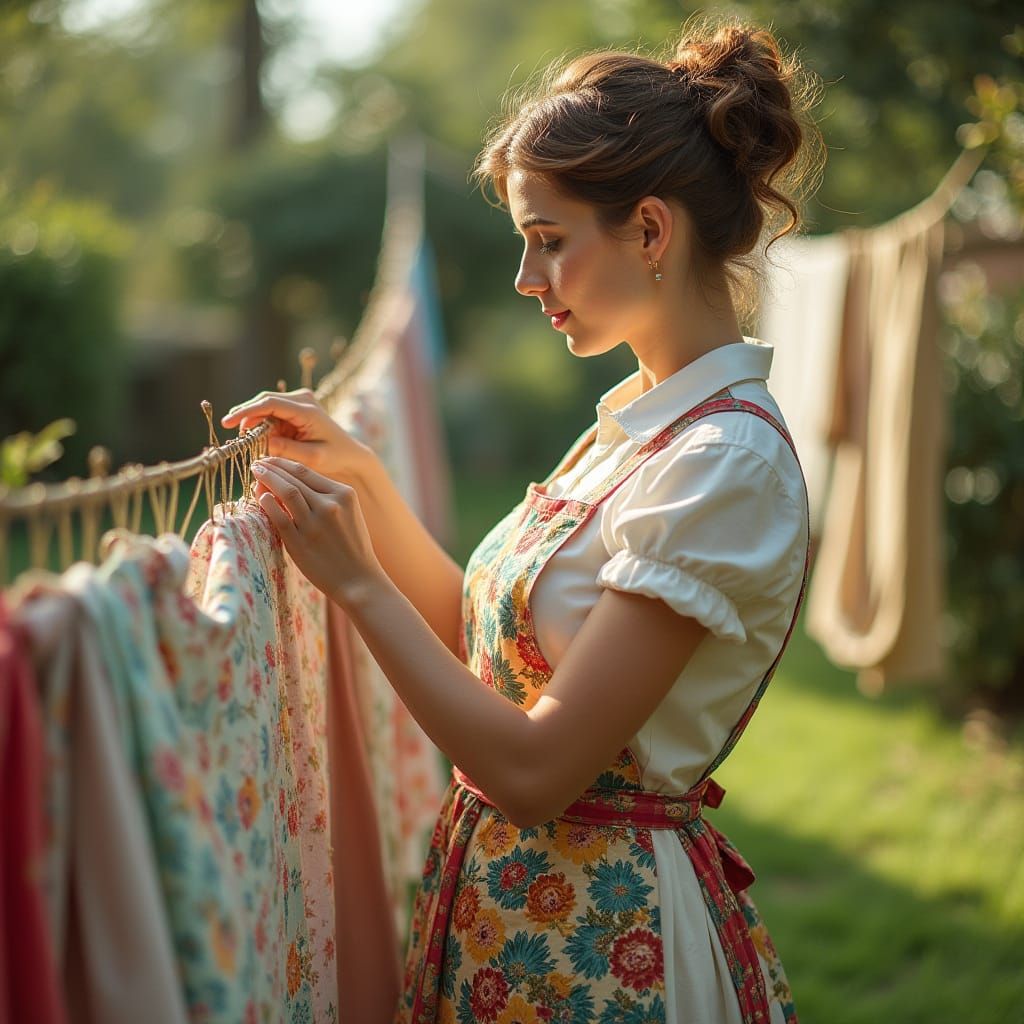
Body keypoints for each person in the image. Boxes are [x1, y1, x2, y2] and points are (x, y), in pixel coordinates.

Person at [222, 15, 822, 1024]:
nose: (525, 280)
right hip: (522, 919)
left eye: (548, 242)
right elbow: (490, 643)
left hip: (605, 942)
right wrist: (362, 480)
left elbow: (535, 770)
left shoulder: (721, 464)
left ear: (648, 230)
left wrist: (358, 582)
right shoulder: (639, 424)